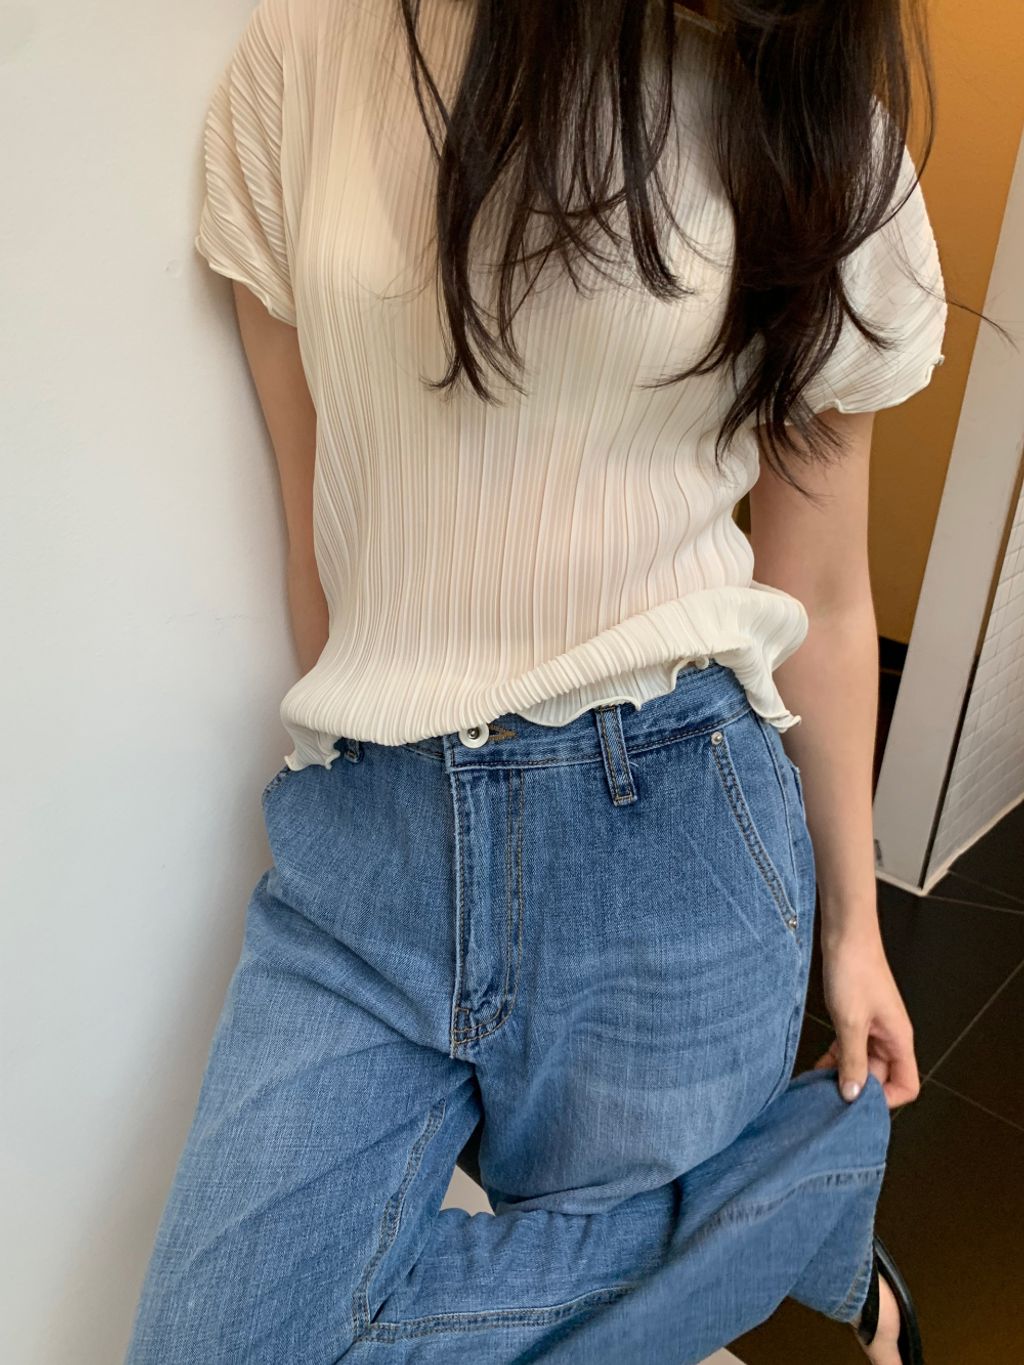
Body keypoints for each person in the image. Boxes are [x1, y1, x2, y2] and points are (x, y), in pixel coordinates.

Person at [126, 2, 948, 1362]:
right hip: (368, 838)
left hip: (672, 834)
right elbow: (317, 513)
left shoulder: (811, 129)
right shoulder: (306, 60)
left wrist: (854, 931)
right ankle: (793, 1215)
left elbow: (825, 589)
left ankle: (770, 1233)